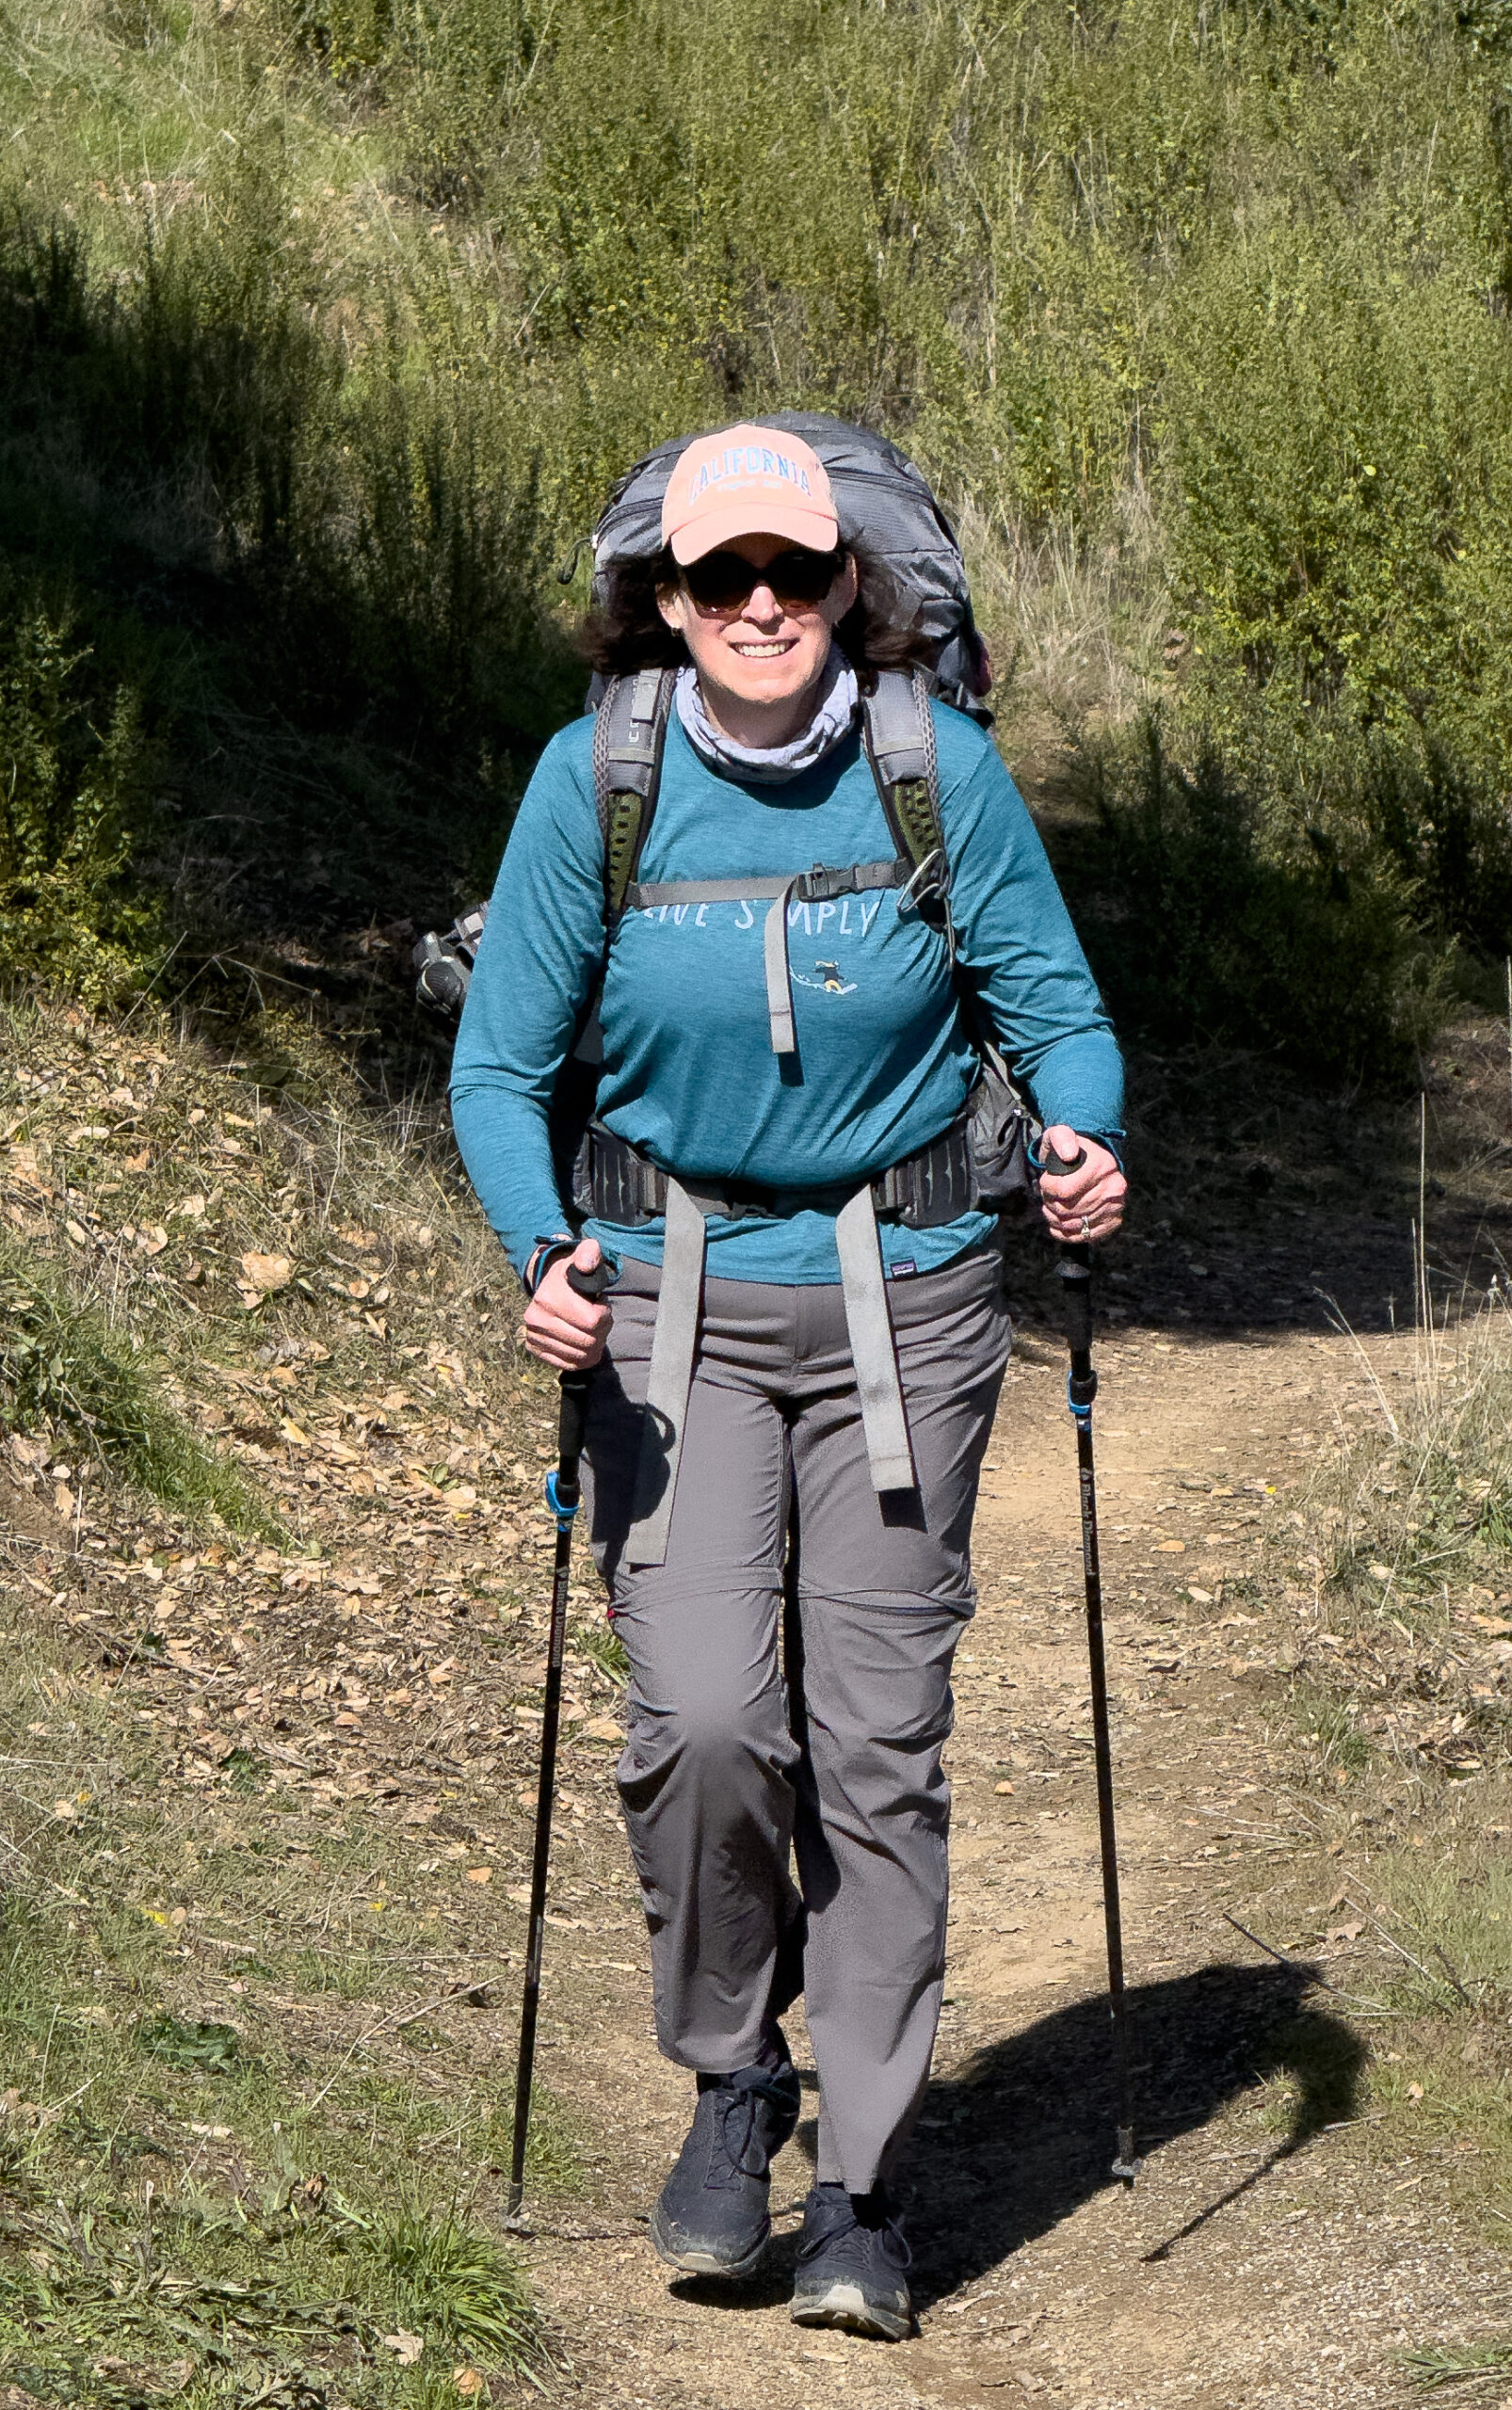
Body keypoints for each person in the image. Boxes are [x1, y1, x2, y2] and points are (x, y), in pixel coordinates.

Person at [449, 424, 1125, 2341]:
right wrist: (539, 1252)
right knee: (704, 1719)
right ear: (657, 597)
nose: (757, 606)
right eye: (714, 577)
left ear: (849, 587)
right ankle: (731, 2077)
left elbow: (1054, 1014)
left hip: (906, 1302)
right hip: (667, 1307)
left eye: (793, 575)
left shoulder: (935, 769)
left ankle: (859, 2184)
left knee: (876, 1739)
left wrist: (1078, 1140)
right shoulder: (598, 780)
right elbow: (500, 1069)